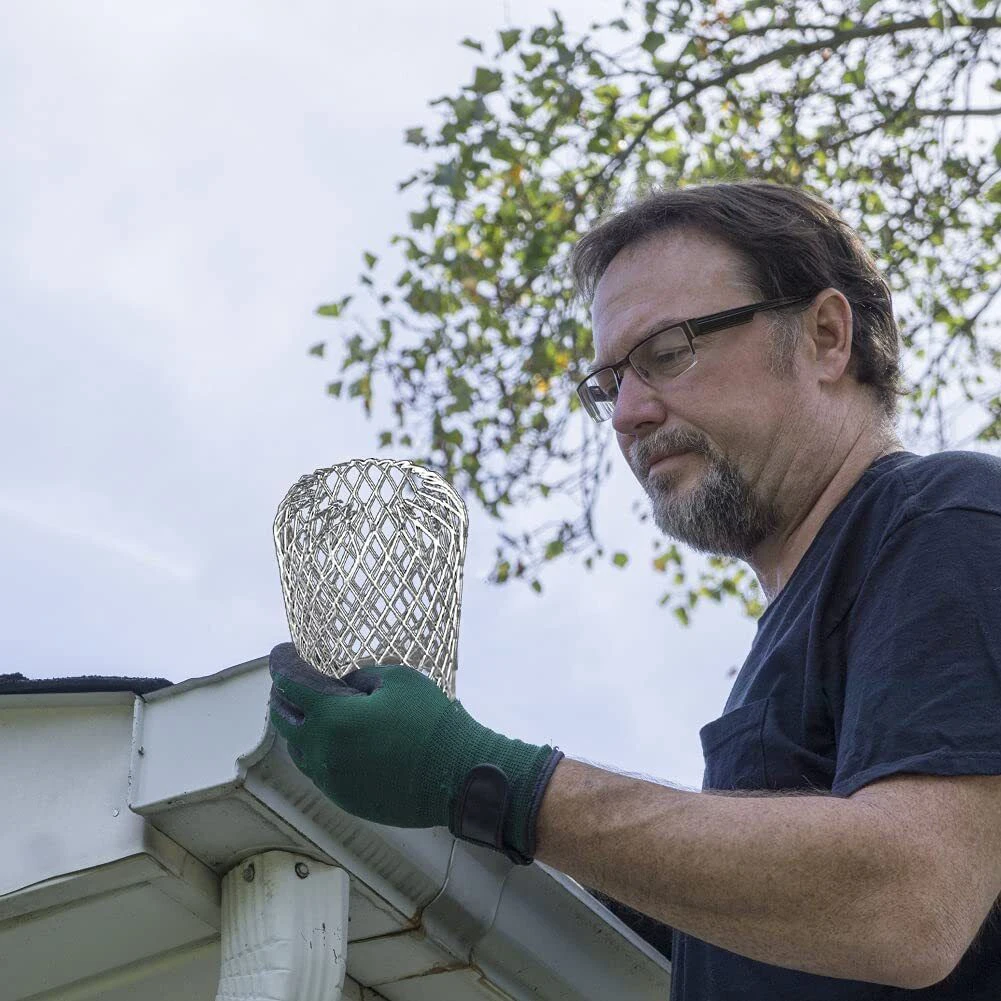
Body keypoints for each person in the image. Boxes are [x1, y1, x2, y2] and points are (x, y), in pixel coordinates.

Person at [269, 182, 1001, 999]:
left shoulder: (946, 516)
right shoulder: (800, 628)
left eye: (666, 352)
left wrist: (483, 779)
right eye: (608, 382)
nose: (626, 414)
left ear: (826, 337)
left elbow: (909, 901)